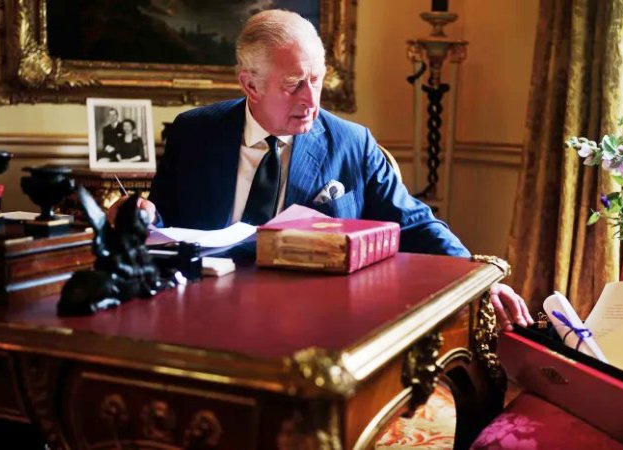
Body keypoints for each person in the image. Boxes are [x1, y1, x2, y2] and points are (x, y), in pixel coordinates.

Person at [108, 9, 532, 330]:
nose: (311, 99)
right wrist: (136, 215)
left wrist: (480, 280)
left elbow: (415, 223)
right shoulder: (194, 132)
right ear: (250, 84)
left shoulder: (351, 143)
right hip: (202, 314)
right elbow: (161, 222)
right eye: (294, 83)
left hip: (311, 324)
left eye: (317, 79)